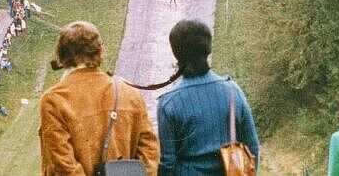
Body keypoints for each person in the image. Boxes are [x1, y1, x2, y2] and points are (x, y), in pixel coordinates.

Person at [39, 21, 159, 175]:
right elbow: (150, 151)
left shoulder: (53, 100)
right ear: (100, 50)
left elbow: (64, 166)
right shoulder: (130, 92)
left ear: (61, 57)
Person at [157, 19, 259, 175]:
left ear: (176, 52)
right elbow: (253, 147)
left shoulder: (168, 103)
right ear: (208, 49)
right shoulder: (233, 91)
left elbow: (168, 164)